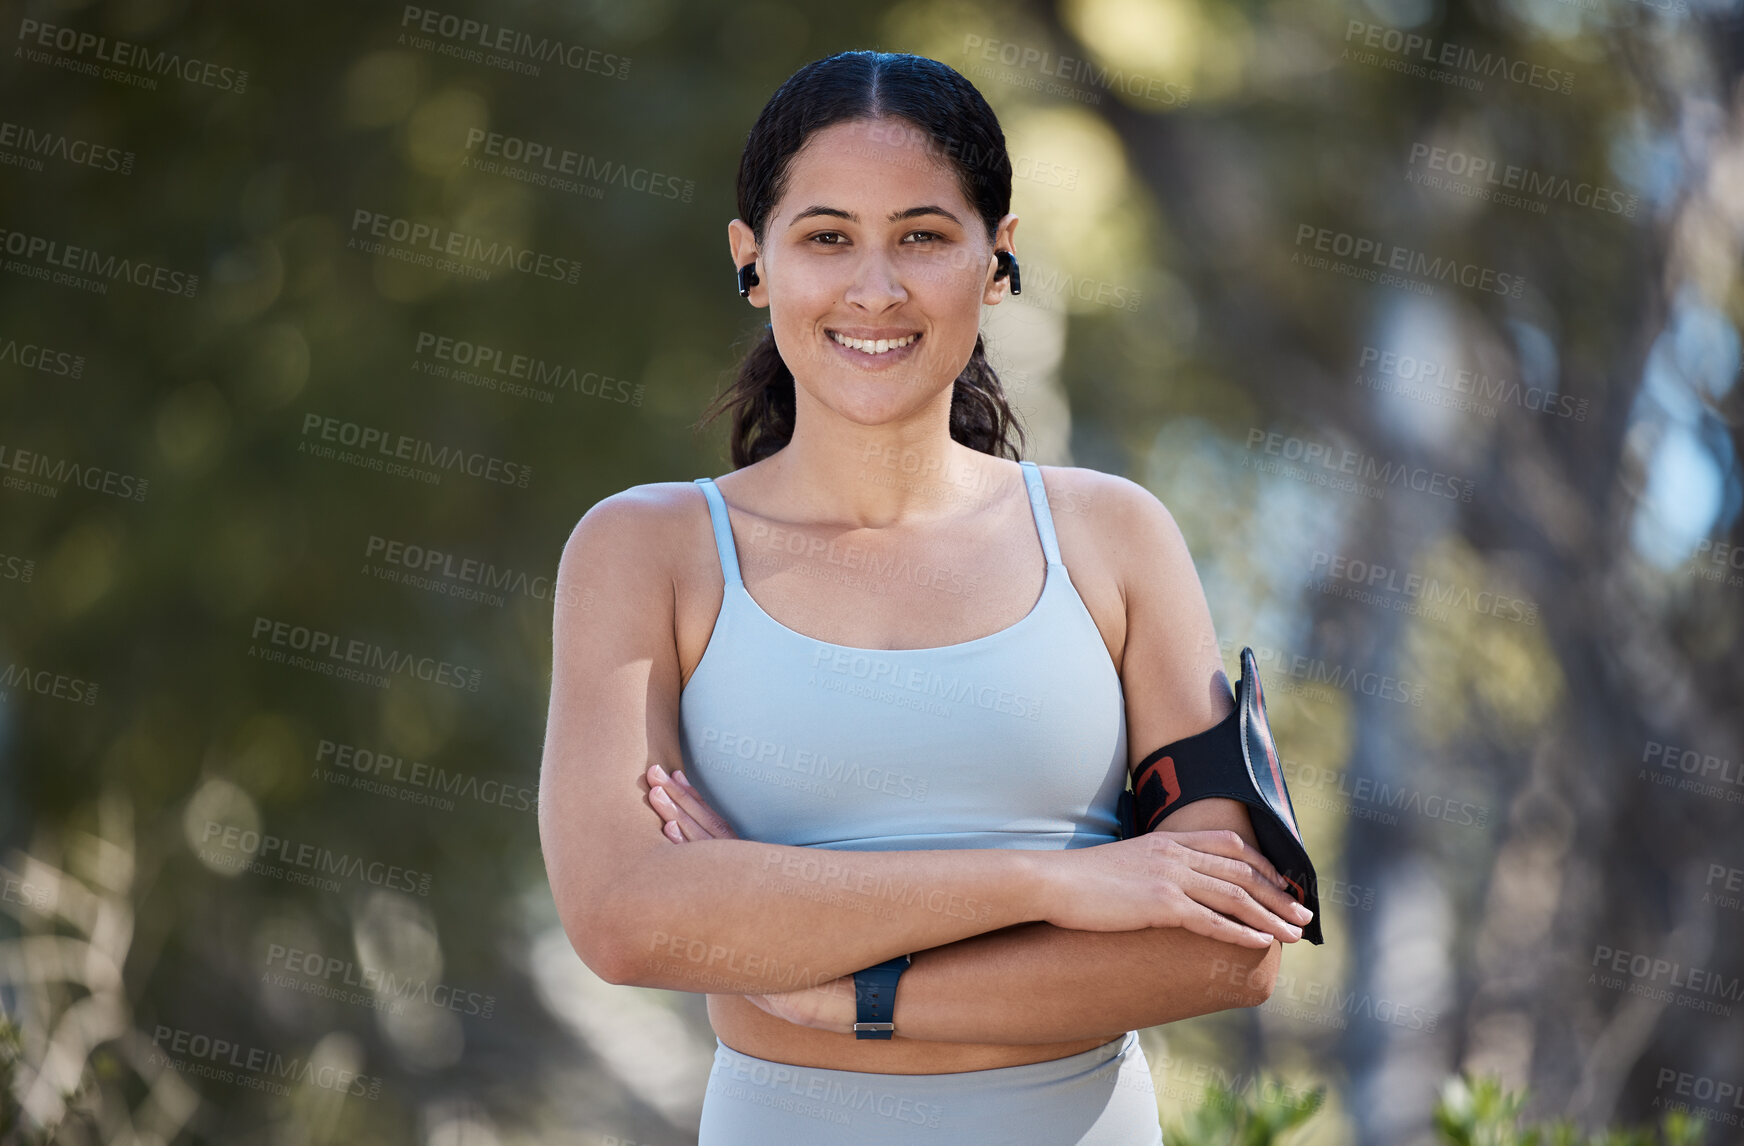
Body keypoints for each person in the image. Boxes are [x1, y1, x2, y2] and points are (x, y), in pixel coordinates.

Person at [538, 49, 1313, 1145]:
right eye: (825, 238)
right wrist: (1054, 883)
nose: (874, 288)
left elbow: (1228, 943)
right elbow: (623, 917)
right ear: (751, 261)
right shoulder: (646, 550)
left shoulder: (1112, 537)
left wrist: (837, 992)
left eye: (922, 236)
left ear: (996, 260)